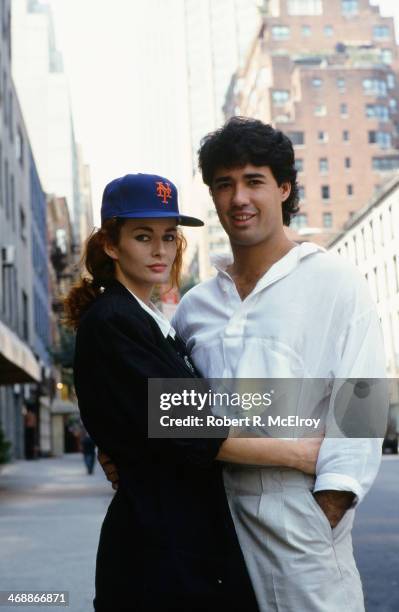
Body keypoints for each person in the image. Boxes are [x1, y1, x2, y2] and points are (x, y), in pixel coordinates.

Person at [100, 118, 387, 611]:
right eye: (224, 184)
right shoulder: (196, 305)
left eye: (254, 181)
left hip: (300, 527)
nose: (239, 198)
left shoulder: (335, 283)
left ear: (284, 188)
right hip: (209, 527)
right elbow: (167, 408)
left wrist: (329, 506)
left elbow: (362, 401)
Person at [65, 172, 321, 612]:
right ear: (111, 244)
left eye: (168, 236)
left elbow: (205, 411)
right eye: (143, 236)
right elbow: (195, 427)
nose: (161, 250)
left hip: (185, 542)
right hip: (159, 554)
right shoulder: (114, 321)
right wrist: (301, 454)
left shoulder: (151, 321)